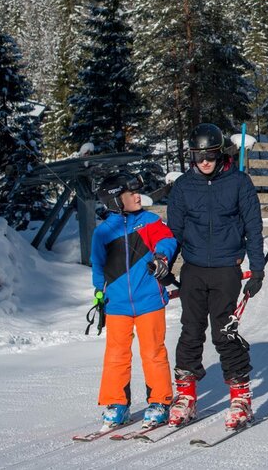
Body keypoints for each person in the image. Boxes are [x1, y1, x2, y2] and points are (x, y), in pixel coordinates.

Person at [166, 123, 266, 430]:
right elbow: (174, 233)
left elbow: (253, 227)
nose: (205, 161)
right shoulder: (183, 186)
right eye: (199, 155)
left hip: (226, 268)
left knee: (224, 333)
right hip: (194, 268)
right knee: (190, 331)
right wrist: (165, 266)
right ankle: (185, 396)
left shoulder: (239, 182)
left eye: (210, 154)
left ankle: (240, 398)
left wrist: (258, 268)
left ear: (219, 152)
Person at [90, 171, 178, 429]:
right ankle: (116, 404)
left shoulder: (149, 221)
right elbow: (98, 267)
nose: (138, 196)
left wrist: (162, 258)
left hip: (149, 299)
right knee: (116, 355)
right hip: (117, 305)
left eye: (137, 191)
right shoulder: (103, 233)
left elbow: (167, 241)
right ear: (115, 200)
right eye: (130, 193)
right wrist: (99, 294)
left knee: (153, 352)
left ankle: (160, 402)